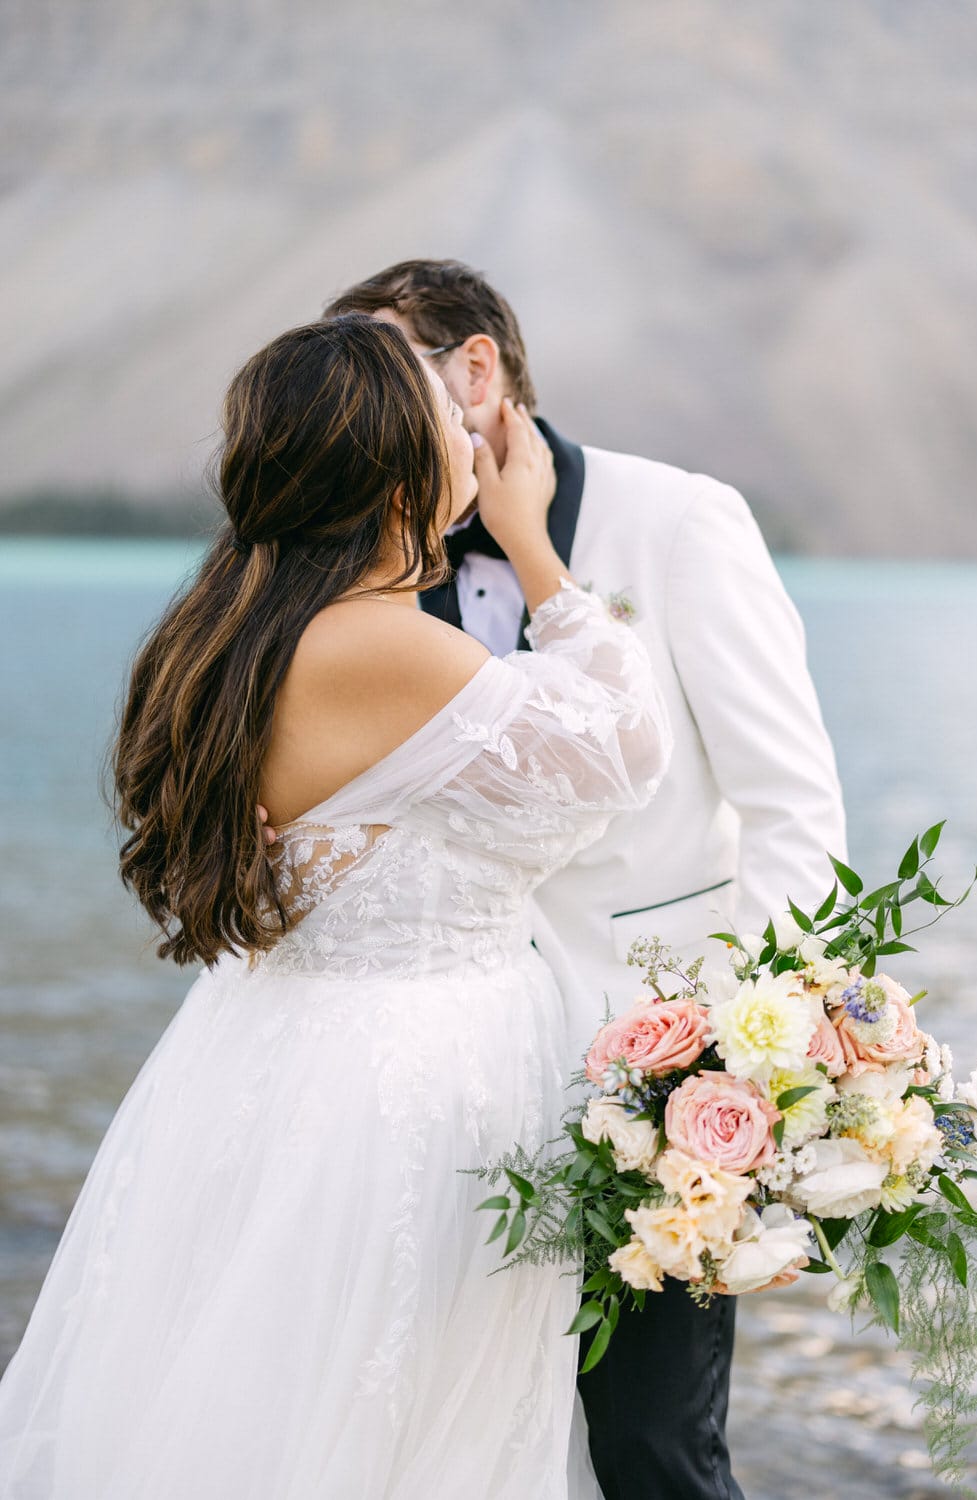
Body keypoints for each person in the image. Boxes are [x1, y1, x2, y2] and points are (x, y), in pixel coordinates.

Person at [0, 316, 670, 1498]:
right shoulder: (386, 649)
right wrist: (532, 548)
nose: (474, 436)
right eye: (447, 422)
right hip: (407, 1084)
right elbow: (624, 753)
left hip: (275, 1051)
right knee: (397, 1422)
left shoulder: (224, 631)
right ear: (396, 463)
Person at [319, 261, 849, 1500]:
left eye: (392, 378)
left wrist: (748, 1065)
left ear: (475, 373)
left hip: (655, 1090)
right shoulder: (371, 555)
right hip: (440, 1086)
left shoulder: (677, 521)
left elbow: (790, 806)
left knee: (654, 1444)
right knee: (449, 1430)